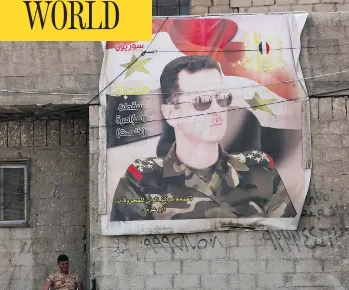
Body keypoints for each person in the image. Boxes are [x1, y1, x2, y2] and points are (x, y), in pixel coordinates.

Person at [110, 55, 296, 221]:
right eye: (201, 101)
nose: (217, 110)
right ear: (171, 113)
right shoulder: (142, 180)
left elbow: (284, 241)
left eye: (222, 98)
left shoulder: (259, 169)